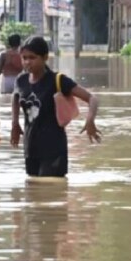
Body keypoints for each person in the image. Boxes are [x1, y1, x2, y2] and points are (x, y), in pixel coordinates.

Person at [11, 37, 101, 177]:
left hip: (53, 149)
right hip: (31, 148)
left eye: (32, 58)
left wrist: (90, 120)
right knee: (33, 191)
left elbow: (92, 99)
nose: (27, 62)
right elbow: (16, 97)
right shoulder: (21, 80)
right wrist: (15, 123)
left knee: (49, 191)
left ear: (45, 57)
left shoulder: (57, 80)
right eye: (24, 58)